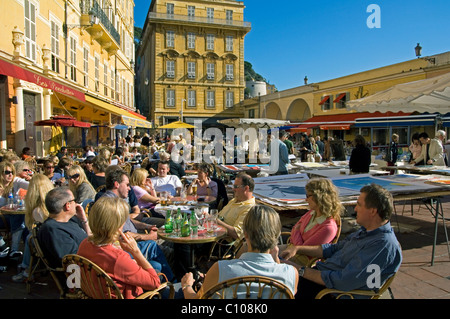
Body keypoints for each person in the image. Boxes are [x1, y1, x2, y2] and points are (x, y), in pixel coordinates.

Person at [285, 183, 402, 299]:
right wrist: (297, 248)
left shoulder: (382, 245)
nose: (355, 209)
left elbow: (343, 281)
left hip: (330, 292)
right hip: (321, 279)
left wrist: (300, 270)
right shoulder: (366, 232)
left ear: (373, 211)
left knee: (276, 286)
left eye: (359, 205)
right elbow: (332, 248)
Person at [180, 205, 299, 299]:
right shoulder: (291, 274)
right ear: (277, 235)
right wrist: (276, 260)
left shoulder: (221, 269)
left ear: (245, 234)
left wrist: (187, 285)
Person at [77, 196, 162, 299]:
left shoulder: (84, 244)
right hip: (136, 296)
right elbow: (155, 283)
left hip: (97, 293)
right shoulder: (118, 258)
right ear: (117, 225)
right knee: (163, 278)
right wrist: (136, 252)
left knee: (156, 265)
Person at [98, 169, 174, 280]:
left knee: (157, 261)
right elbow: (119, 235)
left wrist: (146, 226)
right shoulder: (110, 205)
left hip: (133, 239)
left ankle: (167, 279)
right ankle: (173, 281)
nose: (130, 188)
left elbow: (128, 220)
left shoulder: (114, 201)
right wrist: (149, 237)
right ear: (116, 184)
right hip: (129, 245)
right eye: (127, 185)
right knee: (169, 244)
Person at [278, 178, 343, 267]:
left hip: (304, 262)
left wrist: (297, 232)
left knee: (267, 259)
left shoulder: (328, 227)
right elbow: (296, 234)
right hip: (291, 249)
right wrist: (297, 238)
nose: (306, 199)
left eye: (308, 196)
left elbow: (304, 250)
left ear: (319, 197)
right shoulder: (311, 213)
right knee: (260, 252)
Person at [12, 174, 54, 282]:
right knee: (30, 235)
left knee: (30, 237)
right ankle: (27, 267)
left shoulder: (38, 211)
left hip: (50, 244)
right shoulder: (54, 204)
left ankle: (27, 270)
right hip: (60, 239)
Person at [36, 187, 91, 269]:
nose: (76, 203)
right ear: (68, 205)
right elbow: (73, 260)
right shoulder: (54, 230)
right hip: (84, 275)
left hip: (91, 265)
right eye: (74, 200)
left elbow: (90, 237)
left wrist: (84, 220)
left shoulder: (71, 220)